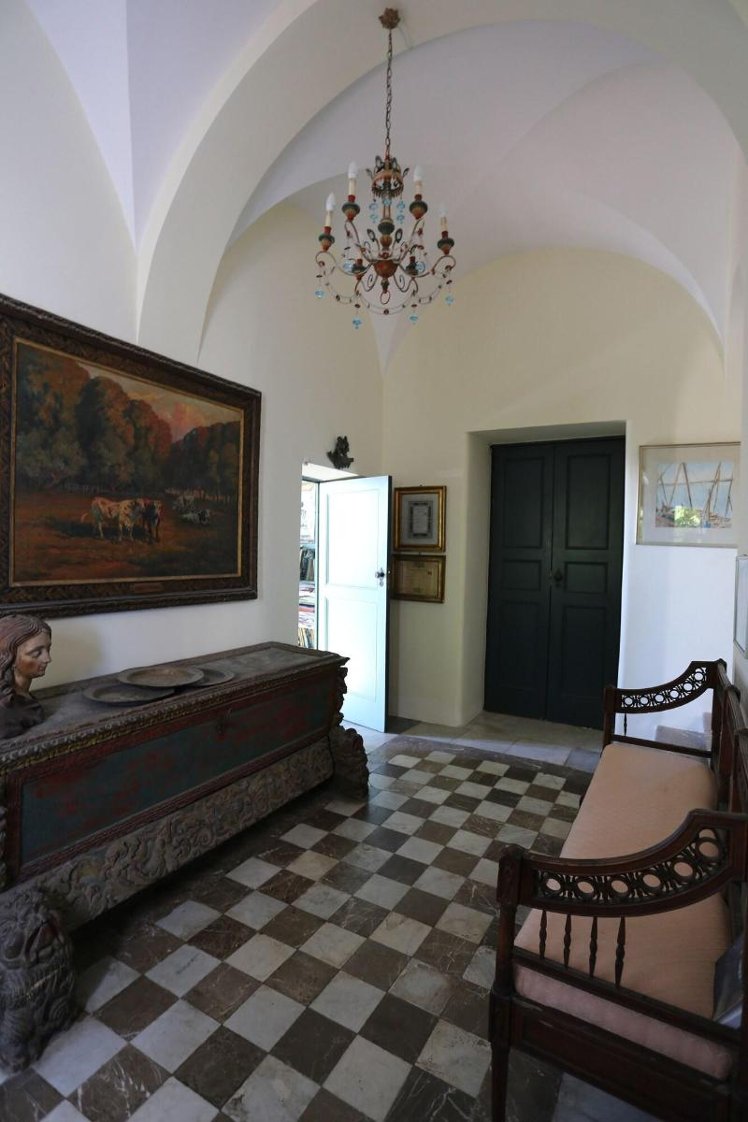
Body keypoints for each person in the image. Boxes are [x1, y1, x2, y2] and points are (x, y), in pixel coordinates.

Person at [0, 614, 51, 741]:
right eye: (36, 653)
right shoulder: (4, 712)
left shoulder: (23, 696)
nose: (48, 659)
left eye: (48, 649)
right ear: (10, 658)